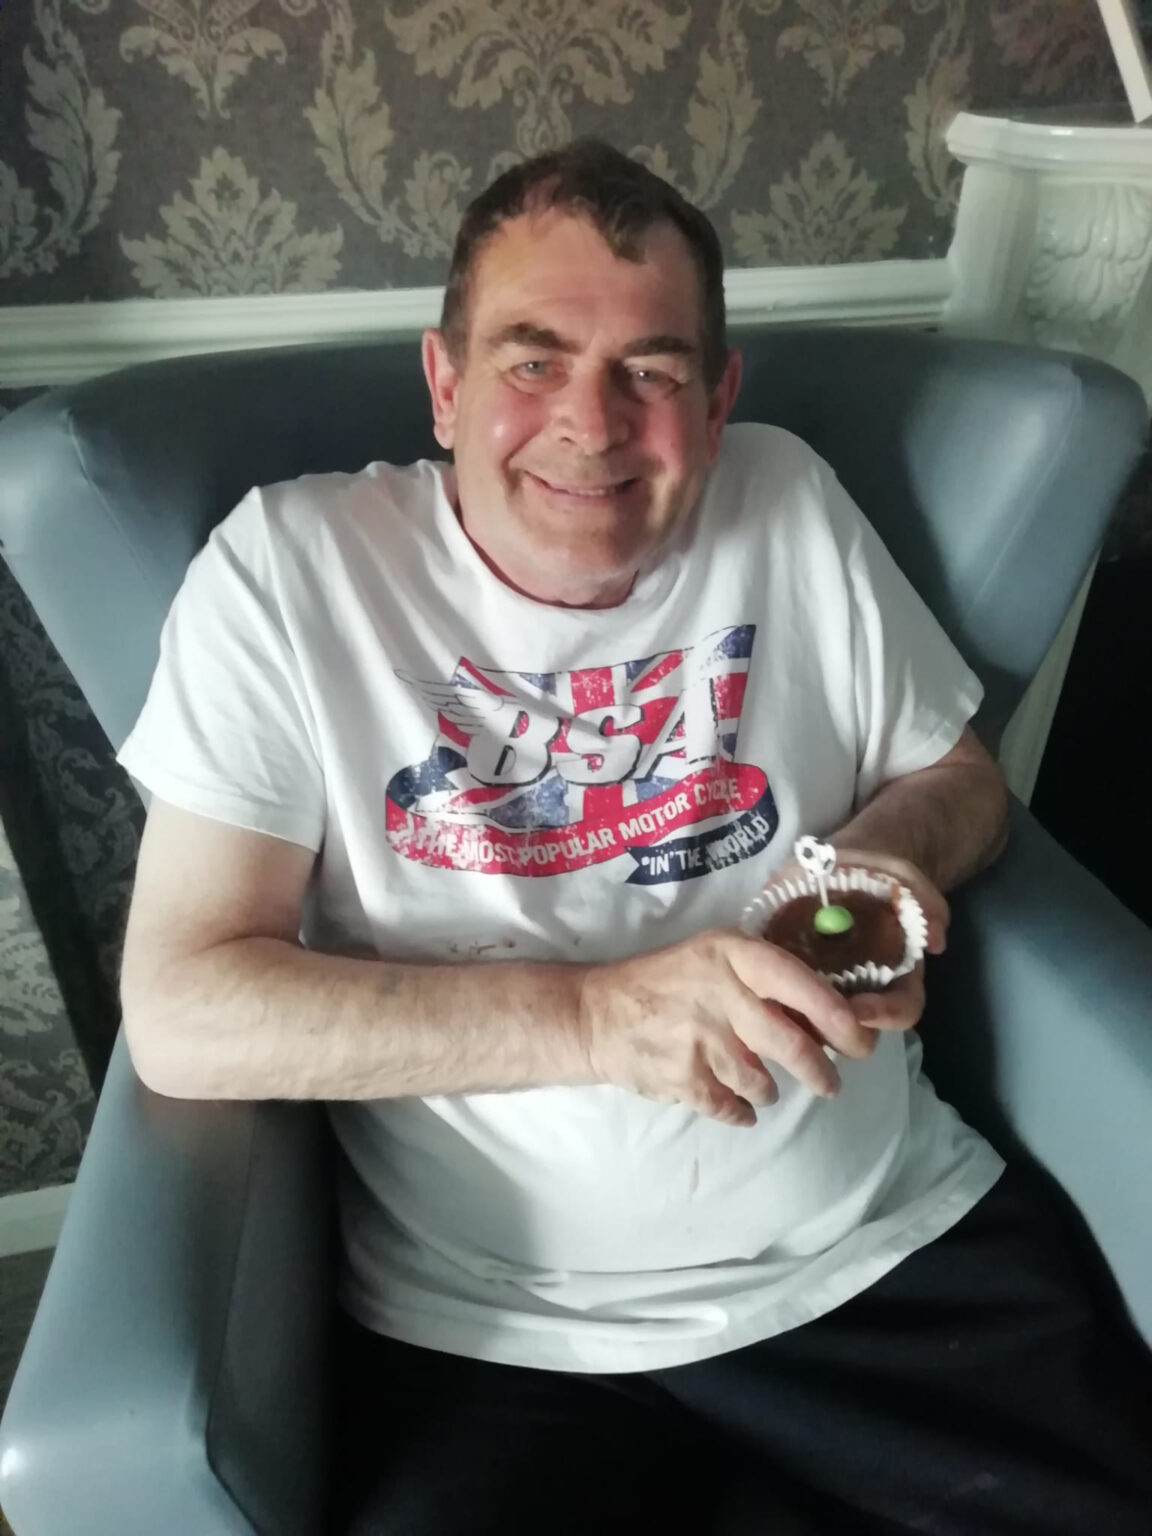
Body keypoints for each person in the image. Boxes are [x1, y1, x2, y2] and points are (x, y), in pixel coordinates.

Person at [116, 139, 1152, 1535]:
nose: (591, 425)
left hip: (887, 1264)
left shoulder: (787, 501)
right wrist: (596, 1018)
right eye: (533, 360)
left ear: (716, 402)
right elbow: (185, 1010)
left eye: (651, 372)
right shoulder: (289, 573)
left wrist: (875, 871)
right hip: (497, 1334)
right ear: (444, 384)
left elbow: (955, 776)